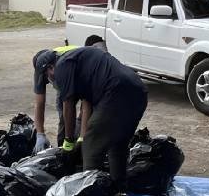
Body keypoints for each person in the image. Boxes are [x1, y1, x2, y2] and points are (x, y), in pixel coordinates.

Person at [48, 46, 148, 185]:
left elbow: (68, 106)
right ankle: (118, 191)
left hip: (116, 91)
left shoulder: (63, 66)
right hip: (138, 90)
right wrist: (81, 136)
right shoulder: (81, 63)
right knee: (117, 143)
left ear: (51, 67)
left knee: (91, 146)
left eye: (48, 77)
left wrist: (69, 141)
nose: (51, 81)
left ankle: (88, 192)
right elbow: (86, 103)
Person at [31, 37, 107, 152]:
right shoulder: (41, 68)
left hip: (81, 76)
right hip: (64, 82)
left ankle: (82, 144)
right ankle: (63, 148)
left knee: (85, 117)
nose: (47, 79)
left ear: (51, 67)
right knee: (64, 116)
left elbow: (87, 102)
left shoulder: (73, 62)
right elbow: (39, 103)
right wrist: (40, 134)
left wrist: (82, 137)